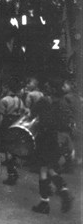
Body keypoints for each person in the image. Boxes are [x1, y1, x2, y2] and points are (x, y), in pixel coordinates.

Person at [30, 79, 74, 214]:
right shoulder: (65, 102)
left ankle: (44, 203)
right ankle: (64, 191)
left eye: (48, 86)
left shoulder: (44, 100)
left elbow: (32, 112)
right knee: (50, 168)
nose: (46, 87)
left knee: (43, 169)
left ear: (52, 89)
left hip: (45, 137)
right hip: (59, 139)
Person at [0, 77, 25, 185]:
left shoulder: (4, 100)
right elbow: (22, 114)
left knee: (7, 150)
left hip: (7, 123)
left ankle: (11, 174)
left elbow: (1, 116)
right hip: (17, 123)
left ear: (7, 88)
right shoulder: (20, 100)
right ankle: (13, 170)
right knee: (13, 149)